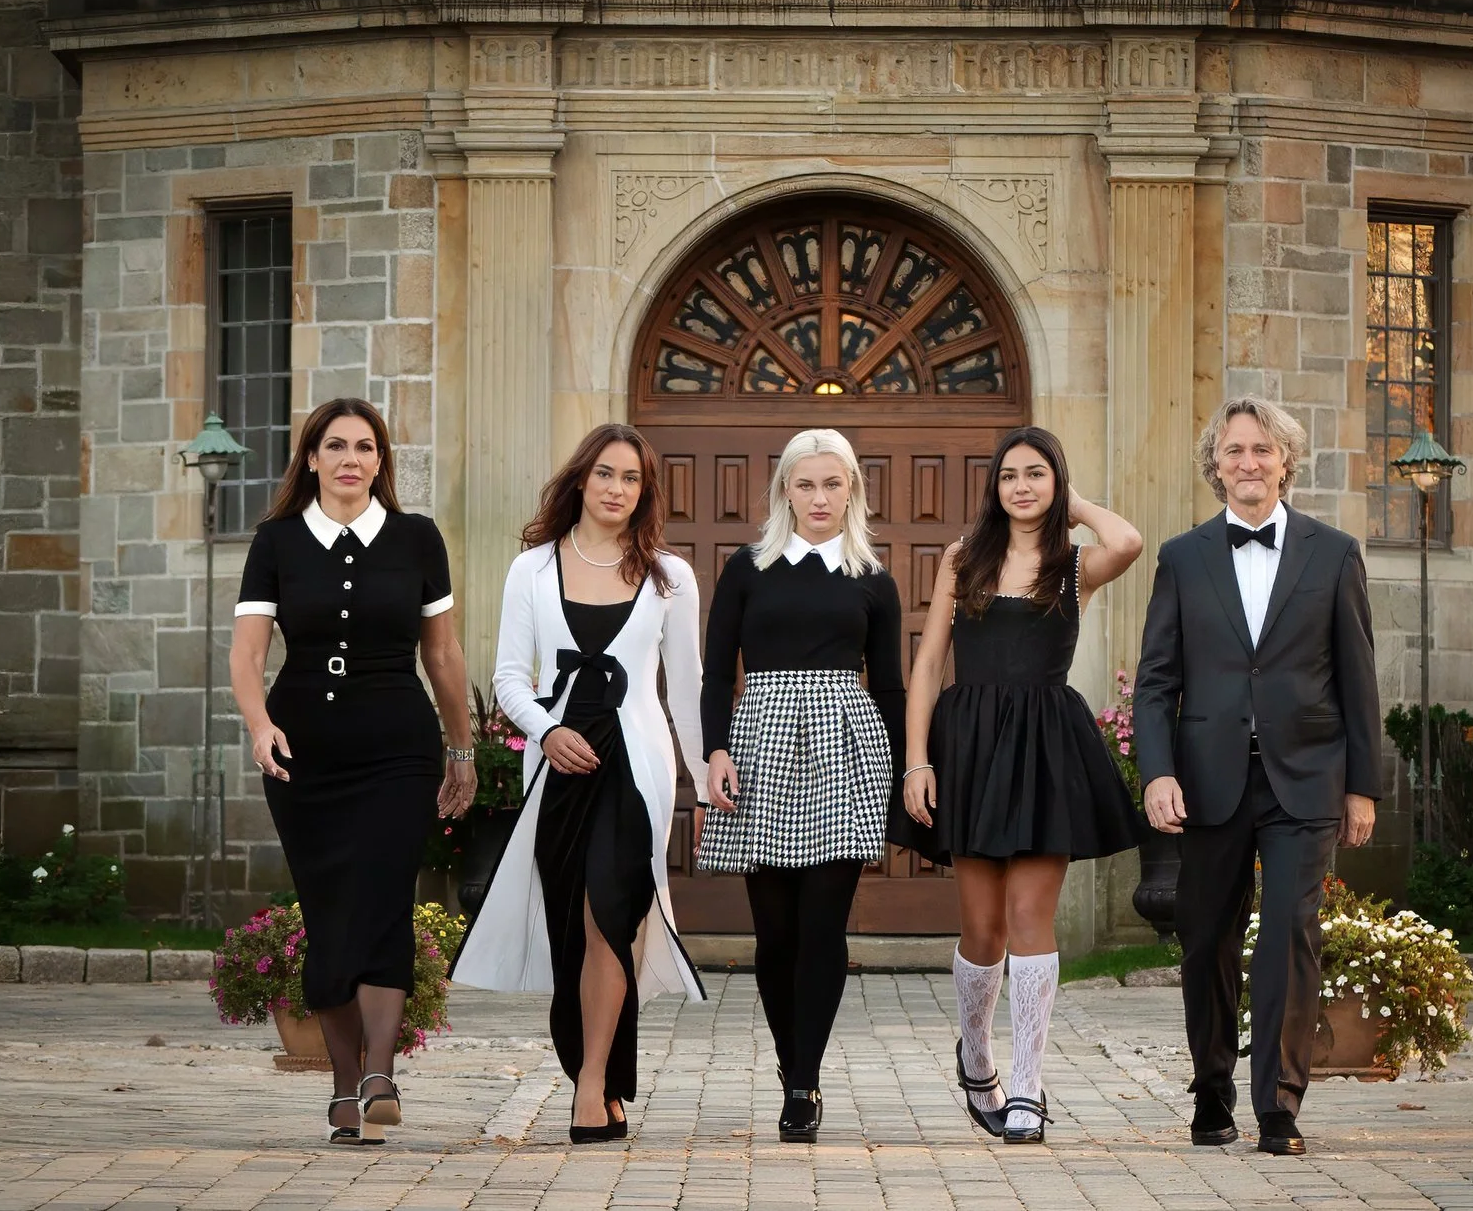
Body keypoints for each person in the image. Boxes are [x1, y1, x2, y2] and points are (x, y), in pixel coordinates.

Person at [1132, 395, 1382, 1155]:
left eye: (1262, 450)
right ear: (1215, 464)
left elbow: (1357, 677)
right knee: (1205, 939)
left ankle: (1278, 1106)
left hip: (1304, 777)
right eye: (1235, 450)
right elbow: (1155, 682)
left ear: (1286, 462)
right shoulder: (1182, 557)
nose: (1248, 463)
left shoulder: (1333, 553)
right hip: (1208, 782)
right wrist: (1157, 773)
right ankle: (1212, 1095)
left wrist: (1362, 785)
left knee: (1287, 936)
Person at [230, 397, 478, 1147]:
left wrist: (462, 749)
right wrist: (259, 725)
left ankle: (379, 1075)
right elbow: (246, 655)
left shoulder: (416, 538)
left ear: (381, 461)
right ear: (310, 459)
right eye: (334, 446)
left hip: (397, 749)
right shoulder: (276, 541)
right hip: (304, 752)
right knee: (328, 915)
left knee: (381, 902)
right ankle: (344, 1091)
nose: (350, 459)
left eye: (365, 447)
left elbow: (441, 655)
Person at [452, 424, 708, 1143]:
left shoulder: (670, 576)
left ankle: (591, 1088)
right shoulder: (531, 569)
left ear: (644, 492)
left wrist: (703, 779)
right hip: (561, 769)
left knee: (610, 916)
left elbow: (685, 691)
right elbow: (507, 677)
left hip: (636, 770)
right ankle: (600, 1076)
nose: (617, 489)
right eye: (605, 474)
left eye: (631, 478)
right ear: (581, 480)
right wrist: (547, 731)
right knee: (575, 933)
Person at [889, 426, 1146, 1143]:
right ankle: (977, 1055)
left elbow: (1128, 540)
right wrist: (917, 760)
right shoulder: (962, 559)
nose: (1022, 487)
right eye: (1009, 476)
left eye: (1037, 475)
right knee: (983, 929)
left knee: (1033, 917)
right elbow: (929, 665)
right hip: (966, 746)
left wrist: (1078, 504)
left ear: (1055, 484)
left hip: (1043, 749)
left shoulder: (1076, 566)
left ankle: (1028, 1089)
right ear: (993, 487)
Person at [696, 428, 905, 1144]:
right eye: (806, 484)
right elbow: (715, 671)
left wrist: (905, 772)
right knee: (775, 934)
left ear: (853, 490)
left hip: (846, 748)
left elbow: (894, 688)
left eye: (834, 484)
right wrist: (714, 751)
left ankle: (803, 1083)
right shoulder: (748, 568)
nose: (820, 498)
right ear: (786, 489)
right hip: (762, 746)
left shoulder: (873, 577)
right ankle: (794, 1068)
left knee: (823, 928)